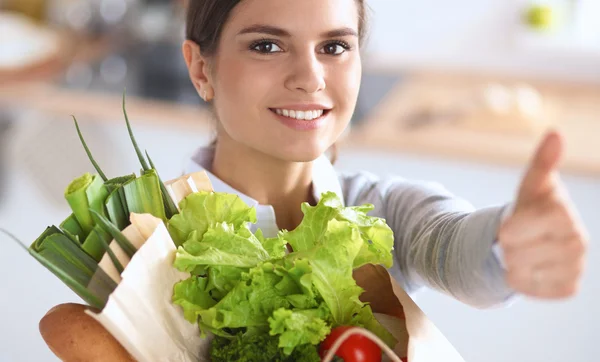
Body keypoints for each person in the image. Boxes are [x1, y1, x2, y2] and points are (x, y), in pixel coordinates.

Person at [39, 0, 589, 360]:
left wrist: (507, 244)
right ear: (201, 69)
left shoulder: (377, 210)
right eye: (267, 45)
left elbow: (448, 244)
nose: (310, 78)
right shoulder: (148, 250)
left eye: (334, 46)